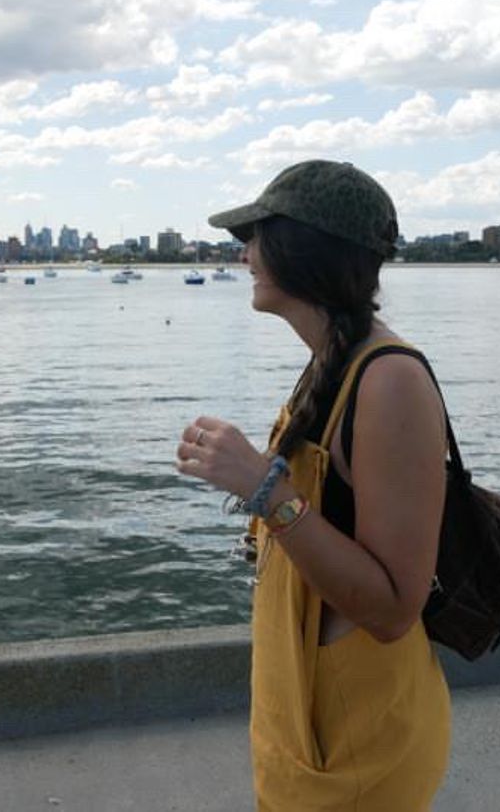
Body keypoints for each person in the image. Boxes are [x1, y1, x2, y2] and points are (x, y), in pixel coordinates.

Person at [176, 160, 451, 811]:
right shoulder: (335, 361)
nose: (243, 254)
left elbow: (391, 609)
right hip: (308, 727)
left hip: (358, 748)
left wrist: (263, 488)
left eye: (256, 235)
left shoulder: (390, 381)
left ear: (304, 250)